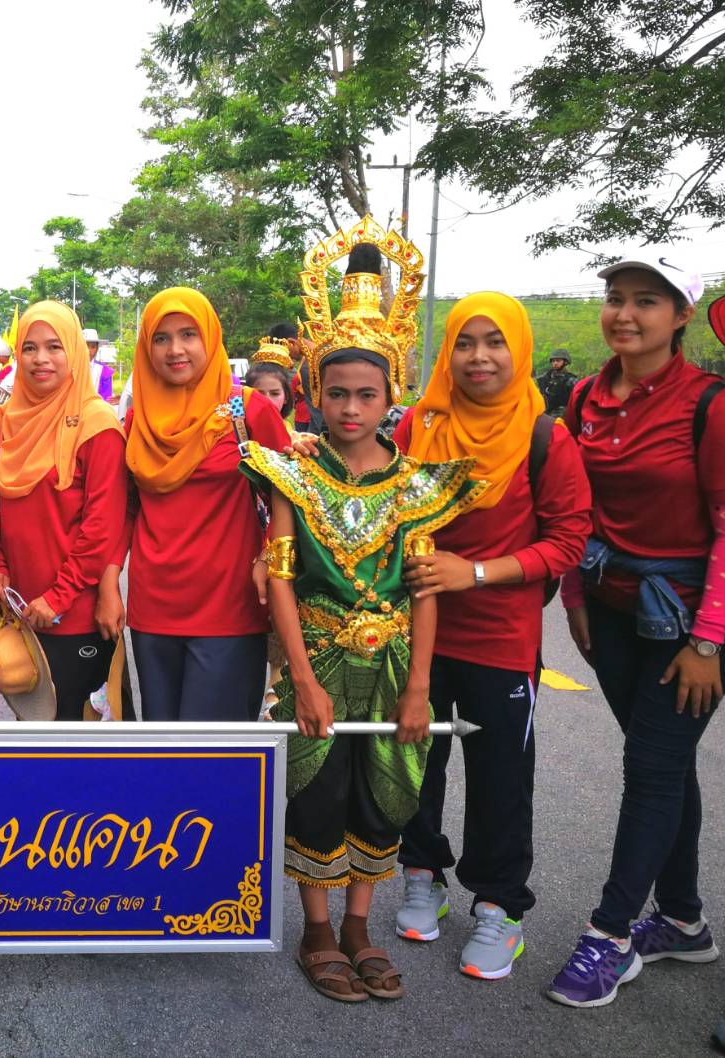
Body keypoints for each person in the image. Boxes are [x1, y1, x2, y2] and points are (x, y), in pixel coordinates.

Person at [243, 236, 484, 1004]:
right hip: (314, 662)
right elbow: (281, 582)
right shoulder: (291, 472)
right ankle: (317, 929)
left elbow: (425, 591)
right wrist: (302, 679)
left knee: (382, 795)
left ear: (391, 397)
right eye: (338, 393)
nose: (351, 409)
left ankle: (359, 925)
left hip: (392, 668)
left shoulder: (416, 487)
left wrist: (419, 689)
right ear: (315, 393)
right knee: (317, 793)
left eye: (367, 396)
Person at [548, 250, 725, 1009]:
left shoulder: (714, 407)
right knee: (664, 763)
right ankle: (685, 921)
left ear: (682, 315)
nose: (624, 314)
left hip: (692, 624)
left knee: (652, 769)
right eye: (616, 297)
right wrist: (574, 598)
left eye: (646, 301)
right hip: (610, 610)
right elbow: (572, 509)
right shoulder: (585, 398)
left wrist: (707, 644)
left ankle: (611, 934)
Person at [391, 292, 591, 982]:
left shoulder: (544, 437)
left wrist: (473, 572)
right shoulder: (418, 425)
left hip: (500, 640)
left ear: (520, 350)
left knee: (500, 778)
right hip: (416, 634)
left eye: (495, 342)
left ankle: (500, 907)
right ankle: (422, 873)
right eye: (465, 343)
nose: (479, 357)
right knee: (415, 764)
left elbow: (567, 541)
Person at [123, 287, 291, 720]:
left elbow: (290, 496)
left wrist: (269, 557)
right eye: (161, 338)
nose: (175, 350)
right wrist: (108, 583)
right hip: (152, 607)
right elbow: (126, 510)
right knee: (162, 745)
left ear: (210, 338)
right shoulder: (138, 418)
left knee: (215, 748)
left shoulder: (248, 411)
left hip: (229, 605)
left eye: (188, 335)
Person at [0, 302, 128, 720]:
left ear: (75, 352)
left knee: (78, 732)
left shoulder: (97, 424)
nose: (40, 359)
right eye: (29, 348)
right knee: (33, 729)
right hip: (20, 609)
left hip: (76, 612)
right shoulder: (8, 419)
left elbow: (101, 525)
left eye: (54, 347)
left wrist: (59, 596)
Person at [270, 320, 319, 432]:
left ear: (291, 343)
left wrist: (310, 438)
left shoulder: (308, 367)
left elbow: (317, 414)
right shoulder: (326, 350)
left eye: (285, 353)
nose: (289, 358)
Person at [537, 347, 577, 417]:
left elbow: (575, 402)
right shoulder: (544, 378)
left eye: (558, 361)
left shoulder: (571, 380)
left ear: (565, 362)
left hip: (561, 413)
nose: (555, 363)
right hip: (543, 412)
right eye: (553, 361)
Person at [82, 328, 114, 400]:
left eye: (93, 347)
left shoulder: (104, 371)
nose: (89, 350)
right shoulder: (70, 368)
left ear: (97, 349)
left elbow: (106, 398)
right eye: (86, 346)